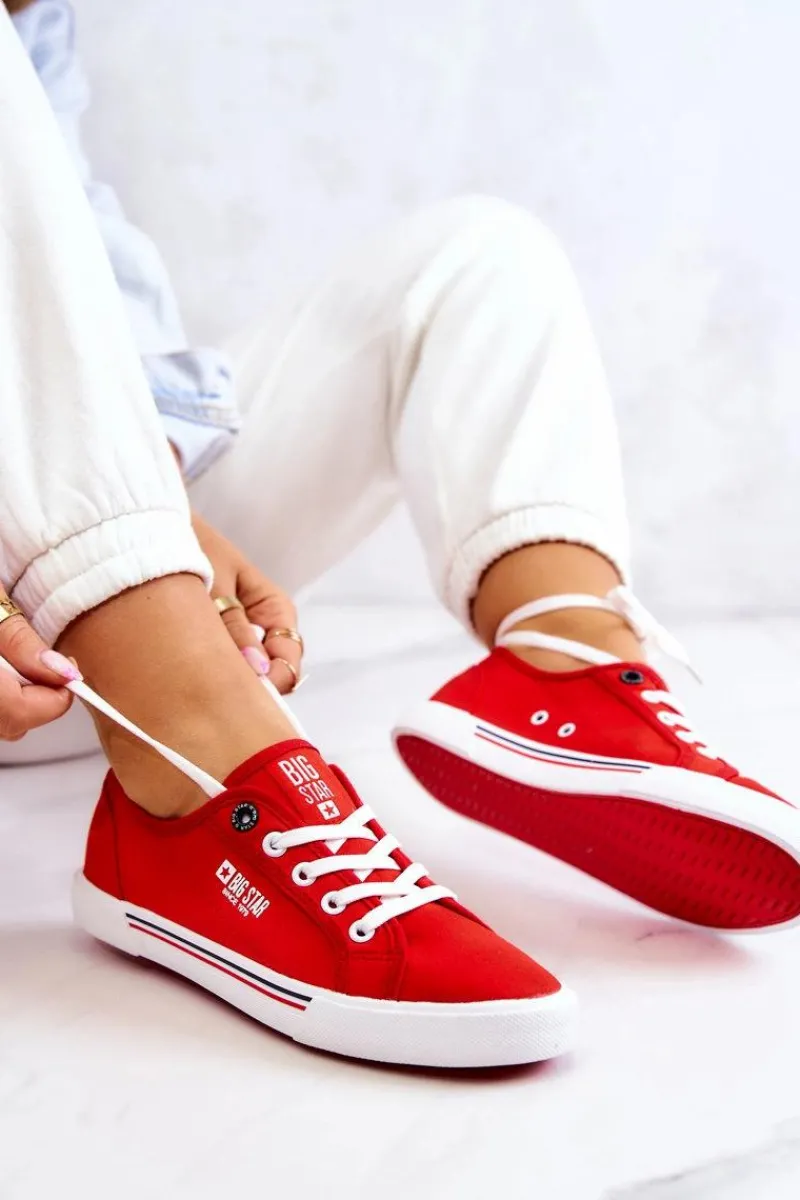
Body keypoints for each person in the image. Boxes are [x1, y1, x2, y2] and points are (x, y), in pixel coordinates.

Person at [2, 1, 798, 1069]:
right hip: (63, 660)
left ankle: (562, 660)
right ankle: (191, 791)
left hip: (78, 623)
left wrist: (156, 498)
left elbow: (57, 325)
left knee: (478, 258)